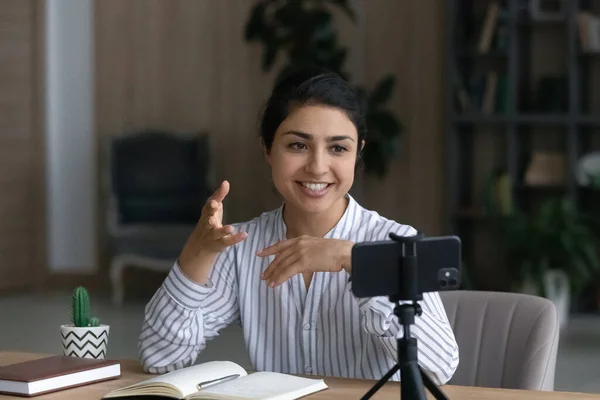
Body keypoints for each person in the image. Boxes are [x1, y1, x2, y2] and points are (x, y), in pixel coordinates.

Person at [138, 66, 459, 385]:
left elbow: (437, 370)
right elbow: (159, 359)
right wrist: (197, 253)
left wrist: (356, 260)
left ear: (358, 152)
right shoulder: (242, 247)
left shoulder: (397, 242)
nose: (318, 167)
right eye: (298, 145)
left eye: (338, 148)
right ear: (268, 149)